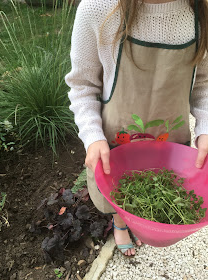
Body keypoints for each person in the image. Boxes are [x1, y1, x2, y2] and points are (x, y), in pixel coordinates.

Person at [65, 0, 208, 257]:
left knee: (156, 191)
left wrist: (206, 127)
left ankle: (138, 224)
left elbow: (204, 84)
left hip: (170, 145)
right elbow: (82, 85)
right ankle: (120, 222)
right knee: (120, 195)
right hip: (114, 142)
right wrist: (91, 135)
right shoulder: (98, 9)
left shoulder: (202, 12)